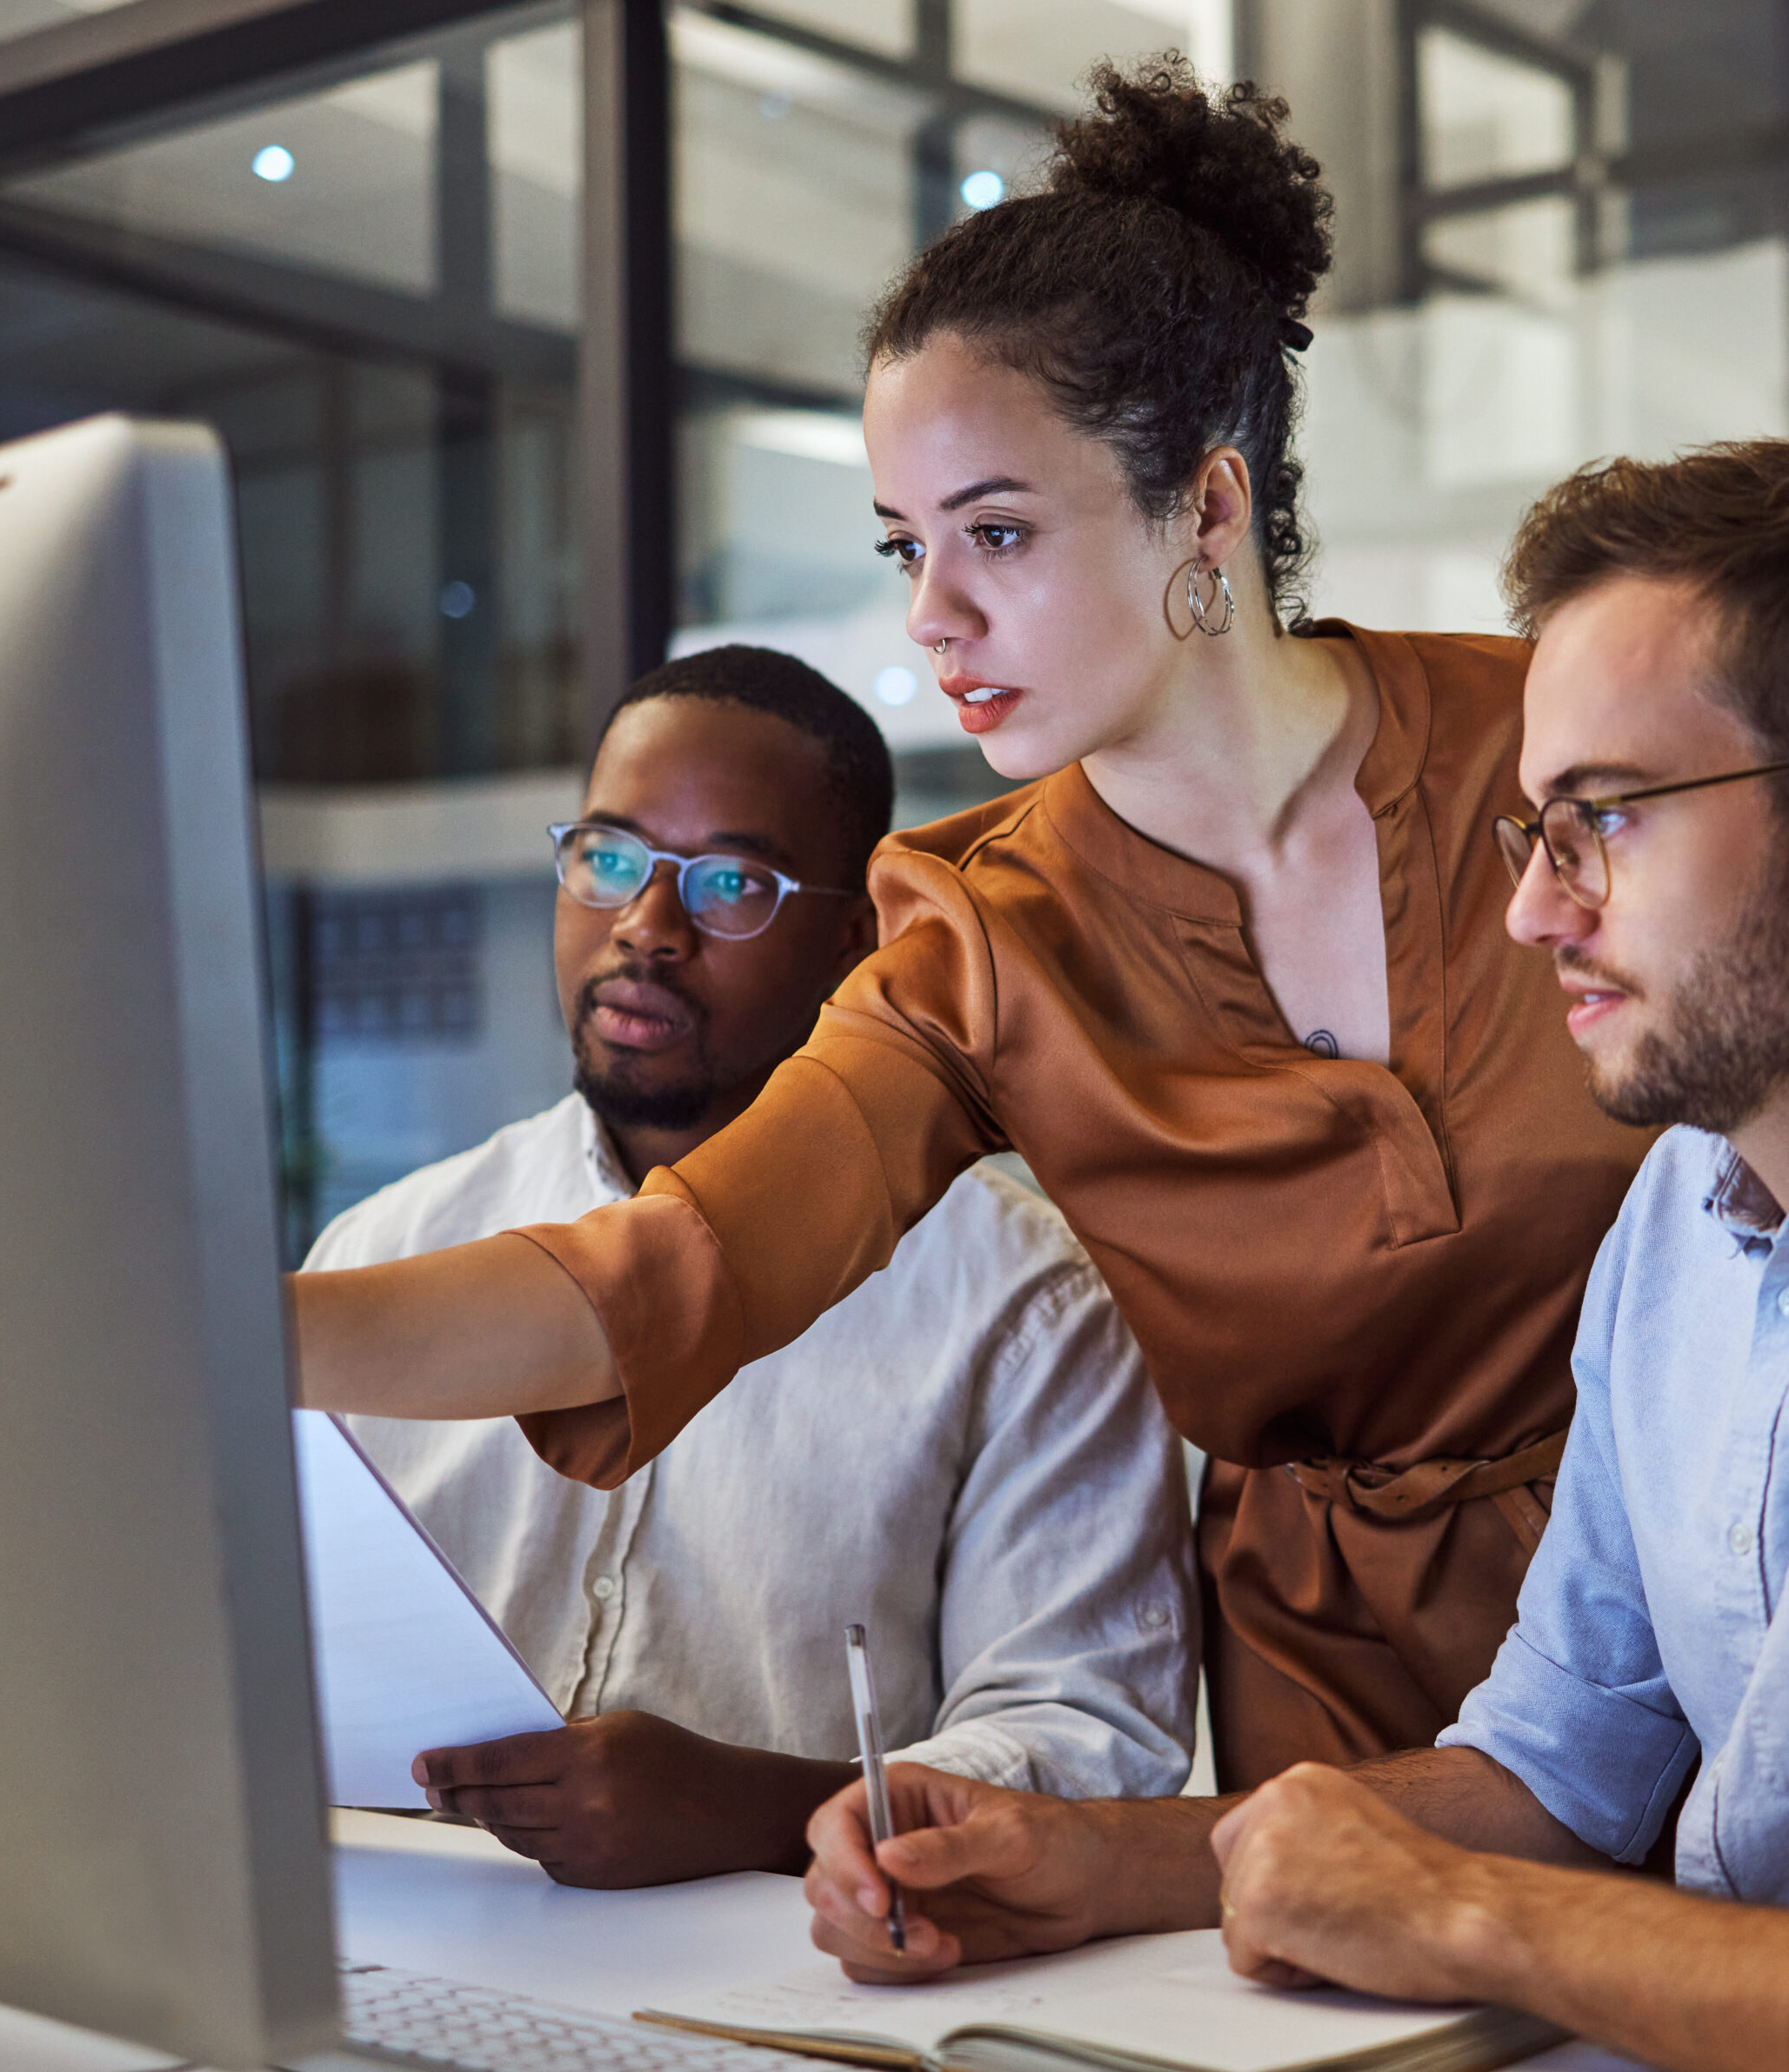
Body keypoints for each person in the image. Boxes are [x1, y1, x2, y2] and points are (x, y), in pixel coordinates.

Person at [804, 443, 1789, 2072]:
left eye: (1602, 817)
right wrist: (1098, 1860)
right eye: (1530, 826)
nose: (1533, 905)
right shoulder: (1672, 1226)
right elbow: (1552, 1762)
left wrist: (1472, 1917)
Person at [291, 60, 1649, 1802]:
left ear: (1209, 509)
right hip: (1332, 1726)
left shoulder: (1561, 750)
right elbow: (664, 1271)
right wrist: (232, 1328)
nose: (932, 617)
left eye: (994, 532)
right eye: (903, 546)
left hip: (1702, 1609)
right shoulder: (978, 929)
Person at [311, 645, 1197, 1888]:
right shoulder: (392, 1247)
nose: (646, 927)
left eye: (731, 882)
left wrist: (761, 1810)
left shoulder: (1027, 1304)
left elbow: (1093, 1743)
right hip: (394, 1937)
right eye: (609, 857)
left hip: (805, 1974)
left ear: (855, 939)